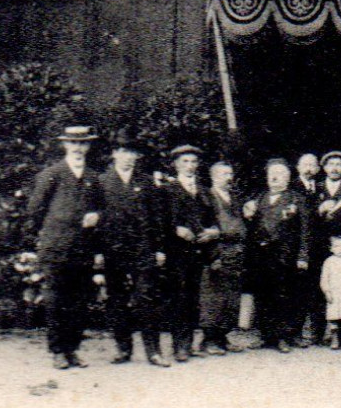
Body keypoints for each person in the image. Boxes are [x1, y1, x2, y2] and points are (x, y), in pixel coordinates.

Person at [30, 126, 105, 370]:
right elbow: (35, 210)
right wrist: (47, 237)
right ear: (65, 145)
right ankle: (58, 351)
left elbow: (102, 208)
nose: (78, 148)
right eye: (74, 143)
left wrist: (97, 216)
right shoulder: (52, 174)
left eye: (83, 144)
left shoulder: (94, 177)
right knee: (55, 300)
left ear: (88, 147)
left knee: (80, 301)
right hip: (56, 248)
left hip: (83, 248)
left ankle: (73, 349)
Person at [97, 130, 167, 366]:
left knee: (146, 298)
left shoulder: (146, 182)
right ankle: (123, 348)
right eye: (123, 151)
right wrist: (98, 251)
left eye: (132, 153)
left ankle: (154, 351)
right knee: (116, 299)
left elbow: (157, 218)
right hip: (113, 249)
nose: (128, 157)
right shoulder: (101, 181)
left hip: (142, 248)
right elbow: (96, 221)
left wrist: (159, 248)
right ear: (114, 154)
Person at [244, 157, 309, 354]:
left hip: (284, 256)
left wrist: (303, 255)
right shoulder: (258, 198)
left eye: (281, 174)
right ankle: (266, 335)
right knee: (263, 295)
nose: (275, 177)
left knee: (283, 296)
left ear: (288, 178)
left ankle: (283, 336)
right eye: (272, 174)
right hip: (261, 256)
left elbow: (305, 230)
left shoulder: (296, 199)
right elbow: (250, 226)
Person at [164, 145, 218, 363]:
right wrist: (175, 229)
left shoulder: (204, 191)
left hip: (198, 252)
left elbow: (213, 220)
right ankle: (180, 346)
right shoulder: (168, 190)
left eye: (193, 162)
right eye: (185, 162)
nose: (190, 166)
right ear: (176, 164)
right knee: (179, 298)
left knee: (194, 298)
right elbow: (159, 221)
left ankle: (189, 343)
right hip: (176, 253)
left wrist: (213, 232)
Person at [198, 158, 247, 356]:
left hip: (236, 254)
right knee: (213, 298)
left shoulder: (234, 198)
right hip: (216, 253)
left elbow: (239, 226)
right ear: (213, 177)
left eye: (230, 174)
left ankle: (223, 337)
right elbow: (206, 229)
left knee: (231, 298)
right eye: (223, 174)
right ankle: (208, 340)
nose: (229, 178)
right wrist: (212, 254)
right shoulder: (207, 197)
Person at [292, 153, 326, 347]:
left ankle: (317, 334)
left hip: (320, 249)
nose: (309, 168)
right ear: (297, 167)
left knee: (318, 291)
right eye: (305, 164)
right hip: (299, 249)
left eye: (313, 165)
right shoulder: (292, 187)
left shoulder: (321, 188)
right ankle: (295, 332)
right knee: (299, 291)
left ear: (318, 169)